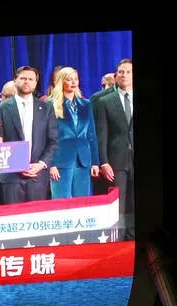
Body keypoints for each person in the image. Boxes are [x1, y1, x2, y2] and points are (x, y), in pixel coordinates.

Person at [0, 66, 58, 204]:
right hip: (11, 177)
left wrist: (40, 164)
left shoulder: (46, 107)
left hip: (37, 175)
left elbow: (53, 140)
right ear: (15, 80)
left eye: (31, 79)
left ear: (35, 83)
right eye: (23, 78)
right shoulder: (0, 109)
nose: (27, 82)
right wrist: (16, 165)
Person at [94, 58, 135, 238]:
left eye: (128, 72)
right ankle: (118, 239)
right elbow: (101, 135)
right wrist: (103, 161)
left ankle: (134, 238)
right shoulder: (105, 101)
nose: (124, 75)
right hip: (116, 161)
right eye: (121, 72)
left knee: (135, 202)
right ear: (115, 75)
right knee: (118, 203)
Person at [47, 67, 100, 199]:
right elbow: (48, 137)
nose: (73, 82)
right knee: (61, 201)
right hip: (60, 161)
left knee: (82, 201)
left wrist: (95, 162)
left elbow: (91, 136)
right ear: (61, 82)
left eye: (75, 79)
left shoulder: (86, 104)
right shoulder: (51, 105)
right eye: (69, 79)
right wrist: (51, 164)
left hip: (83, 160)